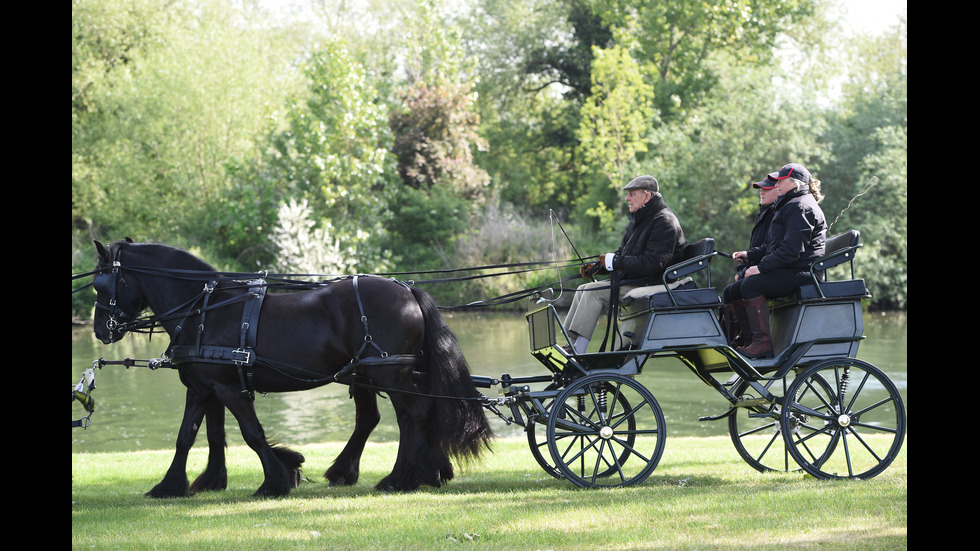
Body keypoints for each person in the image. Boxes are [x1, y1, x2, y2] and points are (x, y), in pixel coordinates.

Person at [564, 175, 686, 354]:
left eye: (632, 194)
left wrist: (615, 261)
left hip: (653, 283)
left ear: (647, 196)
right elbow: (622, 255)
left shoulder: (664, 222)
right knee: (583, 288)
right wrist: (600, 266)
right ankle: (570, 343)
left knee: (592, 293)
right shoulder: (639, 220)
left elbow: (652, 263)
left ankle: (578, 352)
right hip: (636, 279)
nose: (627, 198)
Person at [726, 163, 827, 359]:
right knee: (732, 290)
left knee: (750, 285)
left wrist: (761, 268)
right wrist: (750, 255)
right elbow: (773, 246)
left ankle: (762, 345)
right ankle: (747, 341)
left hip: (803, 273)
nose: (777, 184)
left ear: (795, 184)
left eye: (781, 181)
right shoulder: (790, 205)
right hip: (790, 268)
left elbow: (791, 252)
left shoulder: (801, 206)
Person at [723, 175, 779, 346]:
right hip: (767, 266)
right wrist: (745, 262)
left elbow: (774, 250)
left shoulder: (775, 215)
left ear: (778, 190)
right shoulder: (764, 214)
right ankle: (743, 338)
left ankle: (759, 342)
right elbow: (763, 249)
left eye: (766, 188)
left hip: (776, 269)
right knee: (729, 291)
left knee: (746, 285)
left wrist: (754, 269)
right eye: (761, 188)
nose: (761, 191)